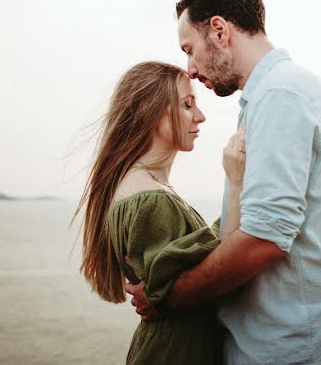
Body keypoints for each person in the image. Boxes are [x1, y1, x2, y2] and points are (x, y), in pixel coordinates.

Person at [126, 0, 321, 364]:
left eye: (190, 49)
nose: (189, 68)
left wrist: (170, 295)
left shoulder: (280, 95)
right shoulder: (276, 94)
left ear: (220, 31)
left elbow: (264, 239)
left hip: (299, 348)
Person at [73, 60, 246, 364]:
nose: (201, 117)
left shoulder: (147, 187)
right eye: (187, 105)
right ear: (151, 113)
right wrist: (237, 183)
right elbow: (220, 282)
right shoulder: (147, 199)